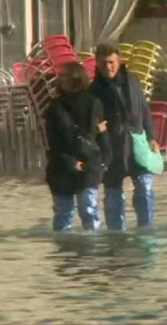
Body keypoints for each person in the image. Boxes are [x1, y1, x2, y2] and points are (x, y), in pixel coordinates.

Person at [91, 43, 159, 231]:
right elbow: (88, 119)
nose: (108, 67)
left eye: (111, 62)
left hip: (137, 141)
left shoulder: (132, 81)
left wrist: (152, 136)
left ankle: (146, 228)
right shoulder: (93, 90)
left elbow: (145, 109)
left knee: (145, 187)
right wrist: (95, 130)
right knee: (113, 193)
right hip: (111, 145)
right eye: (103, 63)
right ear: (96, 63)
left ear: (119, 62)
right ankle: (116, 233)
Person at [44, 62, 111, 232]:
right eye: (61, 76)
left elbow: (101, 137)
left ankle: (92, 249)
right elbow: (54, 141)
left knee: (88, 208)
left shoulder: (93, 103)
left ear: (78, 78)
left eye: (67, 76)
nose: (62, 79)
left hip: (89, 162)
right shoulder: (55, 108)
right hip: (61, 165)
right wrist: (69, 162)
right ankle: (65, 253)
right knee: (63, 213)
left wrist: (105, 162)